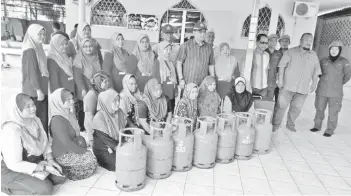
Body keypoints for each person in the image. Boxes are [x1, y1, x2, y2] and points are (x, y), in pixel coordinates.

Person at [1, 93, 66, 195]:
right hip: (13, 170)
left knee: (60, 176)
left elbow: (44, 141)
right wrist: (44, 168)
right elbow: (14, 164)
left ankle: (33, 181)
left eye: (33, 104)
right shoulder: (12, 130)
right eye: (28, 106)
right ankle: (6, 186)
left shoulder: (35, 120)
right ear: (17, 109)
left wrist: (50, 159)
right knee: (46, 189)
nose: (33, 108)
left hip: (34, 161)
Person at [272, 33, 321, 132]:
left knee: (296, 109)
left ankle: (290, 124)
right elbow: (281, 66)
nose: (308, 43)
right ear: (301, 40)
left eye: (310, 41)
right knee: (281, 107)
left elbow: (316, 70)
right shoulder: (290, 52)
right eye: (306, 40)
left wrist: (314, 83)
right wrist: (280, 80)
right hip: (287, 86)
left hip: (302, 89)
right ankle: (275, 125)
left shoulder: (313, 55)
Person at [49, 88, 97, 181]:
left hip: (72, 147)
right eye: (68, 100)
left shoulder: (69, 114)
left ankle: (72, 169)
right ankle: (68, 172)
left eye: (72, 98)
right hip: (63, 154)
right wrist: (83, 152)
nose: (72, 102)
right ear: (59, 101)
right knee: (91, 161)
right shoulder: (57, 120)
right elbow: (67, 143)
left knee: (92, 159)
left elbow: (75, 134)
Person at [311, 40, 351, 137]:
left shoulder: (344, 62)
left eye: (336, 49)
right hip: (322, 90)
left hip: (336, 93)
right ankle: (317, 126)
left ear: (339, 50)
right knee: (319, 108)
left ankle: (330, 129)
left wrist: (338, 83)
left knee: (333, 111)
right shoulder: (323, 60)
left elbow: (348, 75)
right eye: (332, 49)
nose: (333, 51)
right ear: (329, 50)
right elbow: (319, 73)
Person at [21, 24, 49, 132]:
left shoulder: (38, 47)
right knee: (38, 119)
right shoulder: (30, 50)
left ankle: (42, 142)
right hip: (34, 92)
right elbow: (32, 72)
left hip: (40, 89)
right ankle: (38, 144)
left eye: (43, 34)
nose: (42, 36)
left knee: (41, 118)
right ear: (32, 34)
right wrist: (38, 90)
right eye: (39, 34)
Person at [93, 89, 126, 171]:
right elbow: (106, 139)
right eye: (114, 101)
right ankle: (101, 161)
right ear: (106, 102)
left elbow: (124, 128)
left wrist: (127, 140)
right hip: (104, 147)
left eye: (118, 100)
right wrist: (122, 148)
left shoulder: (120, 112)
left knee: (132, 156)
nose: (118, 103)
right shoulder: (99, 117)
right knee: (120, 163)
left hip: (118, 143)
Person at [73, 38, 102, 132]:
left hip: (96, 89)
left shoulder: (96, 56)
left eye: (90, 46)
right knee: (84, 112)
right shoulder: (78, 59)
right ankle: (85, 133)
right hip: (84, 90)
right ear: (81, 47)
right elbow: (78, 76)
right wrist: (83, 89)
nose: (88, 49)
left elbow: (101, 72)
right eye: (85, 46)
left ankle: (93, 131)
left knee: (94, 111)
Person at [176, 22, 215, 87]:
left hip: (203, 85)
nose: (202, 34)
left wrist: (213, 79)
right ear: (194, 32)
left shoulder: (209, 48)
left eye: (204, 32)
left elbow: (211, 65)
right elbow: (179, 63)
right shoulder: (186, 46)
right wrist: (181, 79)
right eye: (200, 32)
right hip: (188, 84)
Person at [84, 71, 110, 146]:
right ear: (98, 83)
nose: (108, 83)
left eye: (108, 81)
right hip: (94, 131)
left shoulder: (103, 93)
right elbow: (90, 118)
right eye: (106, 82)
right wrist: (98, 134)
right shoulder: (91, 96)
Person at [154, 43, 178, 112]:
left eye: (170, 49)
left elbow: (174, 78)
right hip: (163, 96)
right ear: (161, 50)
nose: (168, 51)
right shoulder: (157, 62)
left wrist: (175, 90)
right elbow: (155, 80)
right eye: (166, 49)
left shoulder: (170, 62)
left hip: (171, 95)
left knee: (171, 115)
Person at [267, 35, 291, 101]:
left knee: (281, 101)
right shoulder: (278, 53)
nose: (284, 43)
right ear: (279, 42)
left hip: (286, 81)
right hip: (274, 80)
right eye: (282, 41)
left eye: (286, 41)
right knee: (270, 99)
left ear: (289, 43)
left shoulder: (292, 54)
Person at [251, 33, 270, 99]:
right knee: (251, 108)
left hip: (264, 87)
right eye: (262, 42)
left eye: (266, 43)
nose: (264, 45)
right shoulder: (251, 54)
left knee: (261, 107)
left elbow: (266, 70)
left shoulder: (267, 55)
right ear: (257, 42)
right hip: (253, 86)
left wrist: (266, 84)